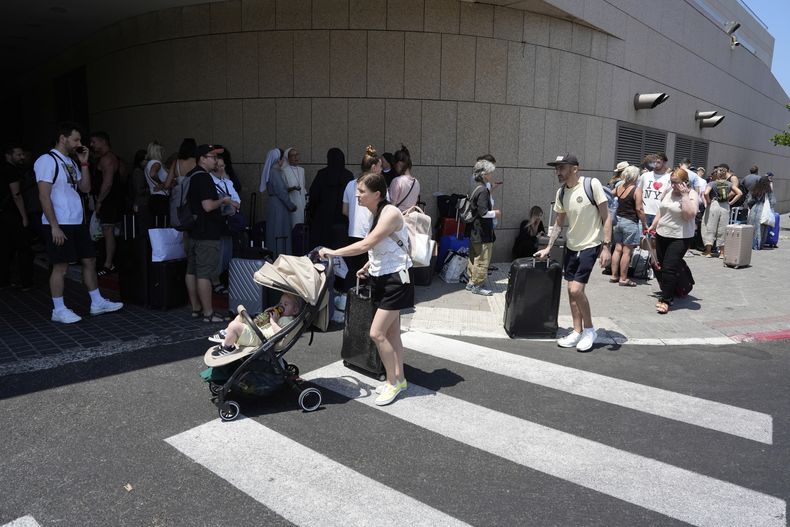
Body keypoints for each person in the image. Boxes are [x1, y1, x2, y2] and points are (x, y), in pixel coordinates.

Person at [319, 170, 414, 406]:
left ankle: (392, 383)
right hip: (383, 277)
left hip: (396, 280)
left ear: (377, 194)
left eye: (362, 191)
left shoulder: (390, 213)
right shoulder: (376, 212)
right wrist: (368, 265)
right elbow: (383, 246)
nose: (357, 195)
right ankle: (400, 379)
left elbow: (367, 243)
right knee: (392, 334)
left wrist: (333, 252)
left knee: (376, 333)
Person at [34, 122, 123, 323]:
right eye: (76, 139)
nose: (79, 143)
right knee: (61, 266)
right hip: (59, 222)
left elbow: (85, 188)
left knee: (89, 260)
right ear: (62, 138)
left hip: (76, 219)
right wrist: (54, 226)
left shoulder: (71, 162)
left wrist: (83, 163)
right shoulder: (47, 160)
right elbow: (44, 196)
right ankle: (58, 309)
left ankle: (97, 302)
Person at [534, 153, 612, 352]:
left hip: (591, 245)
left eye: (561, 167)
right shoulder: (561, 192)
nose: (557, 172)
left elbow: (606, 217)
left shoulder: (591, 185)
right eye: (556, 168)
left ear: (575, 168)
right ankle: (577, 331)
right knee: (571, 291)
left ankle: (590, 330)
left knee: (577, 290)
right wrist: (549, 247)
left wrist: (606, 247)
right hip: (571, 246)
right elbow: (559, 222)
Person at [185, 144, 232, 323]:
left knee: (191, 270)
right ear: (202, 159)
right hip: (206, 232)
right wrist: (223, 200)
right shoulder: (204, 177)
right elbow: (207, 206)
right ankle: (208, 313)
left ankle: (196, 308)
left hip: (193, 230)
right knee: (204, 273)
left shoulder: (191, 175)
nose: (216, 160)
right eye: (212, 157)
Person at [647, 168, 698, 314]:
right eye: (672, 182)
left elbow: (689, 215)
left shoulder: (691, 194)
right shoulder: (668, 191)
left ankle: (666, 299)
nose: (673, 185)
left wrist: (684, 195)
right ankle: (670, 289)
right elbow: (661, 211)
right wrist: (653, 225)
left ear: (685, 182)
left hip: (680, 237)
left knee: (669, 267)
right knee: (662, 265)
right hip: (662, 233)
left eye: (676, 183)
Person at [341, 146, 382, 289]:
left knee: (353, 270)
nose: (381, 170)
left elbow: (345, 210)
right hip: (371, 233)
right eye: (380, 166)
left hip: (353, 232)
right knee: (371, 271)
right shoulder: (379, 188)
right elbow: (384, 210)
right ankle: (368, 299)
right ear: (374, 167)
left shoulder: (350, 184)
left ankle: (350, 298)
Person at [208, 292, 303, 353]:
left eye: (285, 304)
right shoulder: (279, 315)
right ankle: (226, 333)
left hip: (260, 338)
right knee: (240, 316)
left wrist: (273, 322)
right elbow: (260, 321)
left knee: (234, 326)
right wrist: (268, 314)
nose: (281, 306)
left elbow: (282, 334)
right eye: (280, 303)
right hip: (257, 330)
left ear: (295, 311)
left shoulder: (288, 320)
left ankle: (228, 347)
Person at [89, 131, 124, 276]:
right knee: (107, 232)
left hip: (108, 201)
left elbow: (108, 183)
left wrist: (99, 201)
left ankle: (108, 264)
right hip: (111, 200)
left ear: (103, 141)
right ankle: (108, 262)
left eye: (94, 142)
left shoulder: (108, 159)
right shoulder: (112, 158)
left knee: (108, 231)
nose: (91, 145)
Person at [464, 159, 500, 296]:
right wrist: (496, 213)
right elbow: (483, 213)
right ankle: (477, 285)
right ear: (484, 175)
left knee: (473, 257)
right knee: (482, 259)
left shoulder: (474, 187)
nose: (491, 175)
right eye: (490, 173)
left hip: (473, 230)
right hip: (482, 231)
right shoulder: (483, 190)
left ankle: (471, 282)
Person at [1, 143, 34, 290]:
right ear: (8, 155)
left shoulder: (4, 169)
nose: (22, 157)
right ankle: (26, 282)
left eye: (22, 154)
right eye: (18, 154)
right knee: (24, 248)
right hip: (13, 215)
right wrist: (24, 217)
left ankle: (3, 281)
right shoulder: (11, 171)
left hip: (4, 214)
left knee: (5, 248)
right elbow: (16, 195)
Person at [307, 147, 353, 250]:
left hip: (322, 216)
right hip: (341, 217)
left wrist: (313, 212)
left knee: (322, 244)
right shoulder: (348, 175)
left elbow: (314, 194)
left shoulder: (322, 174)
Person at [609, 165, 646, 286]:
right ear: (635, 176)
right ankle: (623, 278)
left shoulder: (619, 187)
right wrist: (645, 224)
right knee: (627, 252)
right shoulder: (636, 190)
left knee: (617, 249)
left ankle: (614, 276)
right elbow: (639, 209)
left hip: (617, 221)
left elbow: (609, 195)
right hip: (630, 222)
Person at [211, 152, 241, 291]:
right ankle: (215, 281)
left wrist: (229, 202)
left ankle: (222, 279)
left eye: (223, 166)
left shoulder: (228, 182)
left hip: (229, 223)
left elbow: (237, 202)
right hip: (217, 222)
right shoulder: (210, 181)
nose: (222, 169)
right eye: (219, 166)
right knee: (217, 253)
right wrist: (229, 203)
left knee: (227, 252)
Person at [702, 167, 741, 258]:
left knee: (709, 227)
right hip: (725, 206)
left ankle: (708, 252)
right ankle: (722, 253)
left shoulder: (712, 183)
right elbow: (739, 193)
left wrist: (708, 201)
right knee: (723, 228)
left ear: (716, 175)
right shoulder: (729, 184)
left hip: (714, 205)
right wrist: (730, 202)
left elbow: (706, 193)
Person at [262, 148, 295, 256]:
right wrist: (290, 205)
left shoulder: (271, 172)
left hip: (274, 204)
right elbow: (281, 191)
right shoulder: (275, 173)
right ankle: (280, 255)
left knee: (274, 231)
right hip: (279, 206)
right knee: (280, 232)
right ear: (278, 160)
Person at [639, 152, 671, 227]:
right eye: (654, 160)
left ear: (664, 162)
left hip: (659, 214)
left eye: (659, 160)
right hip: (644, 213)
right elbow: (639, 192)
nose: (656, 162)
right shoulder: (645, 176)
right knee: (642, 234)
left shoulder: (669, 178)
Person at [746, 175, 776, 250]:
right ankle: (759, 245)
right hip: (763, 211)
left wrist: (751, 207)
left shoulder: (754, 189)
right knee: (762, 229)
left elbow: (749, 201)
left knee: (752, 228)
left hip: (754, 210)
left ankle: (751, 244)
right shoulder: (769, 191)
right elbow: (773, 202)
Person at [389, 144, 420, 212]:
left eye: (395, 165)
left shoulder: (397, 181)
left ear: (399, 164)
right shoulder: (416, 182)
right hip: (411, 216)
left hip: (399, 216)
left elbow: (392, 206)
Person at [144, 141, 171, 220]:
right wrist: (161, 183)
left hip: (153, 197)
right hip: (161, 199)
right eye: (162, 151)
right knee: (162, 224)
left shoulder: (148, 164)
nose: (163, 153)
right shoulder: (157, 163)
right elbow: (152, 174)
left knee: (155, 224)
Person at [281, 147, 306, 227]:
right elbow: (282, 190)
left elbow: (303, 186)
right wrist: (293, 188)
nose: (296, 157)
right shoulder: (284, 171)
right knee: (293, 224)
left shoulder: (302, 170)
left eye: (297, 154)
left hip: (302, 201)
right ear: (288, 158)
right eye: (293, 155)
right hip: (292, 201)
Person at [129, 149, 148, 215]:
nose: (148, 161)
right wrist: (151, 189)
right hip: (141, 203)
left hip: (141, 203)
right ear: (140, 160)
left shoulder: (140, 171)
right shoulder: (138, 172)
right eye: (146, 159)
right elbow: (139, 190)